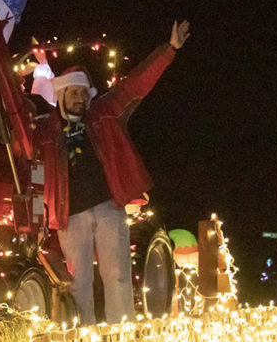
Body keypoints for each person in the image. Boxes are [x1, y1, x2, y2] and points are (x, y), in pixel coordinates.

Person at [35, 20, 190, 325]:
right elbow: (14, 120)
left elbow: (135, 84)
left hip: (108, 207)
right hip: (70, 215)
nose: (80, 98)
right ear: (62, 95)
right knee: (78, 284)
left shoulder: (104, 113)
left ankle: (121, 339)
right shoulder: (45, 130)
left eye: (84, 92)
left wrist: (169, 50)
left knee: (118, 276)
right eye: (74, 93)